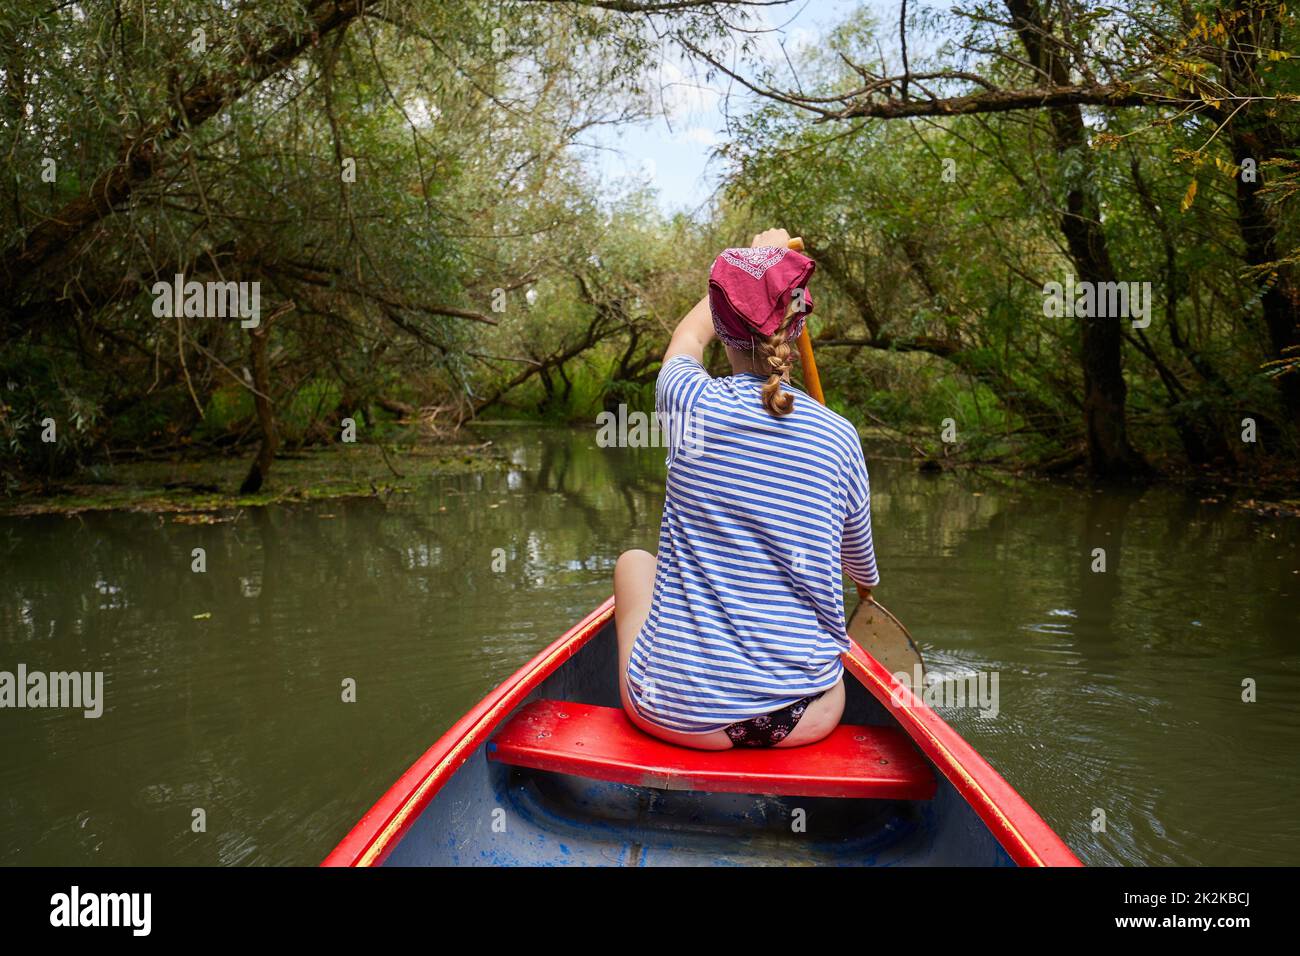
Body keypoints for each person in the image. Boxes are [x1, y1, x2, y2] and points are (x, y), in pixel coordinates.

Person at [613, 227, 880, 750]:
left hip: (679, 715)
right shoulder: (839, 436)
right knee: (829, 666)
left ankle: (682, 680)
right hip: (802, 717)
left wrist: (749, 265)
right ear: (798, 322)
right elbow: (859, 566)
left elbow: (686, 340)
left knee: (633, 562)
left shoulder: (688, 403)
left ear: (721, 315)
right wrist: (866, 587)